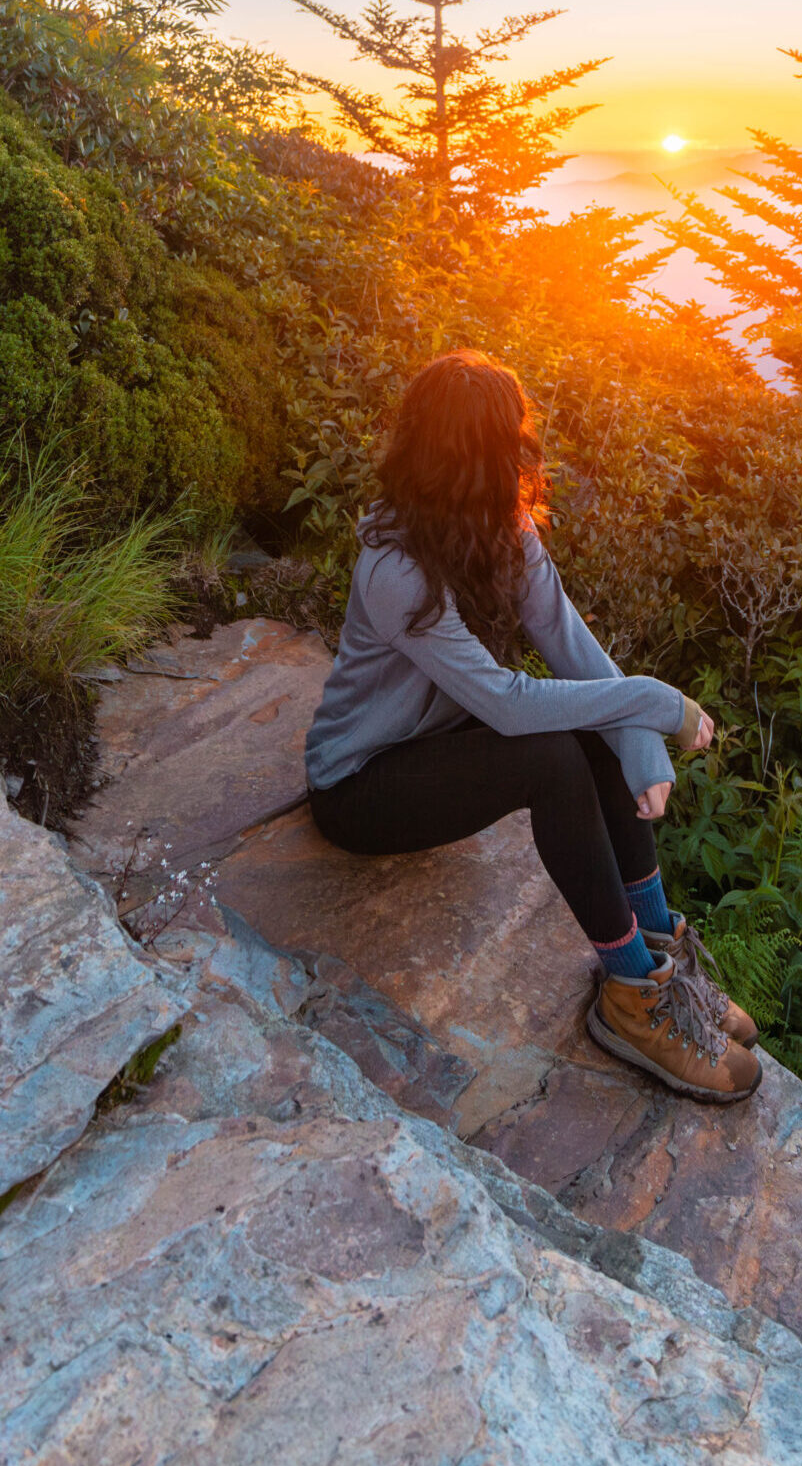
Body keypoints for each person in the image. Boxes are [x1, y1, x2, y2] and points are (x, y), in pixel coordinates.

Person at [305, 348, 760, 1103]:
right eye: (509, 439)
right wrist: (654, 701)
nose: (524, 450)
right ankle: (630, 995)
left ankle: (656, 947)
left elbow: (571, 647)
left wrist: (640, 741)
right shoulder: (394, 569)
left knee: (584, 728)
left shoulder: (501, 530)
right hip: (362, 784)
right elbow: (511, 705)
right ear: (471, 457)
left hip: (441, 747)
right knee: (550, 753)